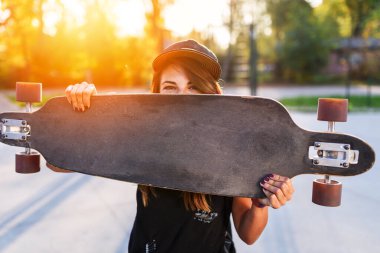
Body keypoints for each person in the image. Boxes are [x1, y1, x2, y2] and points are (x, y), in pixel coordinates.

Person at [48, 39, 295, 253]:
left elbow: (248, 234)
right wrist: (83, 112)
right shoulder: (141, 134)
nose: (183, 97)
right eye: (170, 88)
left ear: (211, 93)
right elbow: (56, 163)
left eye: (193, 87)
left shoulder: (232, 146)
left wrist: (260, 202)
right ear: (157, 94)